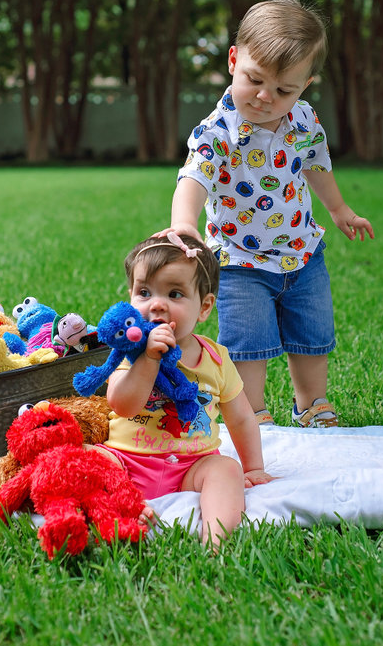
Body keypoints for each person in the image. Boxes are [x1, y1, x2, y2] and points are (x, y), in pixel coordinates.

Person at [158, 0, 374, 429]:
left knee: (311, 337)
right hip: (240, 260)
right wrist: (184, 221)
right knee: (247, 344)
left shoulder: (303, 120)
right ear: (234, 60)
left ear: (305, 85)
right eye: (254, 80)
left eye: (283, 90)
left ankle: (312, 404)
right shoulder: (217, 130)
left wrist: (338, 208)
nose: (264, 97)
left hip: (302, 251)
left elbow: (316, 165)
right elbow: (194, 176)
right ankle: (251, 413)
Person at [94, 232, 275, 549]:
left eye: (175, 294)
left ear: (204, 307)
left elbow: (243, 419)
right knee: (89, 459)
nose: (157, 304)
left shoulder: (216, 359)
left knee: (226, 470)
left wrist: (254, 468)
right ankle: (124, 508)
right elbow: (122, 405)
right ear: (130, 297)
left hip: (191, 466)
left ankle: (217, 542)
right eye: (144, 292)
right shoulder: (130, 351)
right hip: (127, 463)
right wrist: (148, 360)